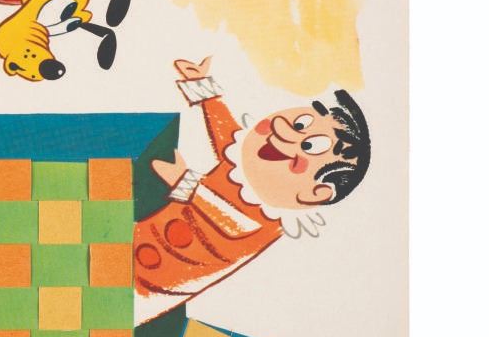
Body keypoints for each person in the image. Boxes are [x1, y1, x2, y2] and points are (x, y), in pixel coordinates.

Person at [135, 57, 370, 317]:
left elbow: (233, 224)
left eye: (309, 146)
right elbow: (225, 132)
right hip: (136, 240)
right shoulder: (243, 165)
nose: (284, 132)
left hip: (153, 288)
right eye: (299, 124)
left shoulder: (267, 220)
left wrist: (186, 182)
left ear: (315, 193)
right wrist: (202, 85)